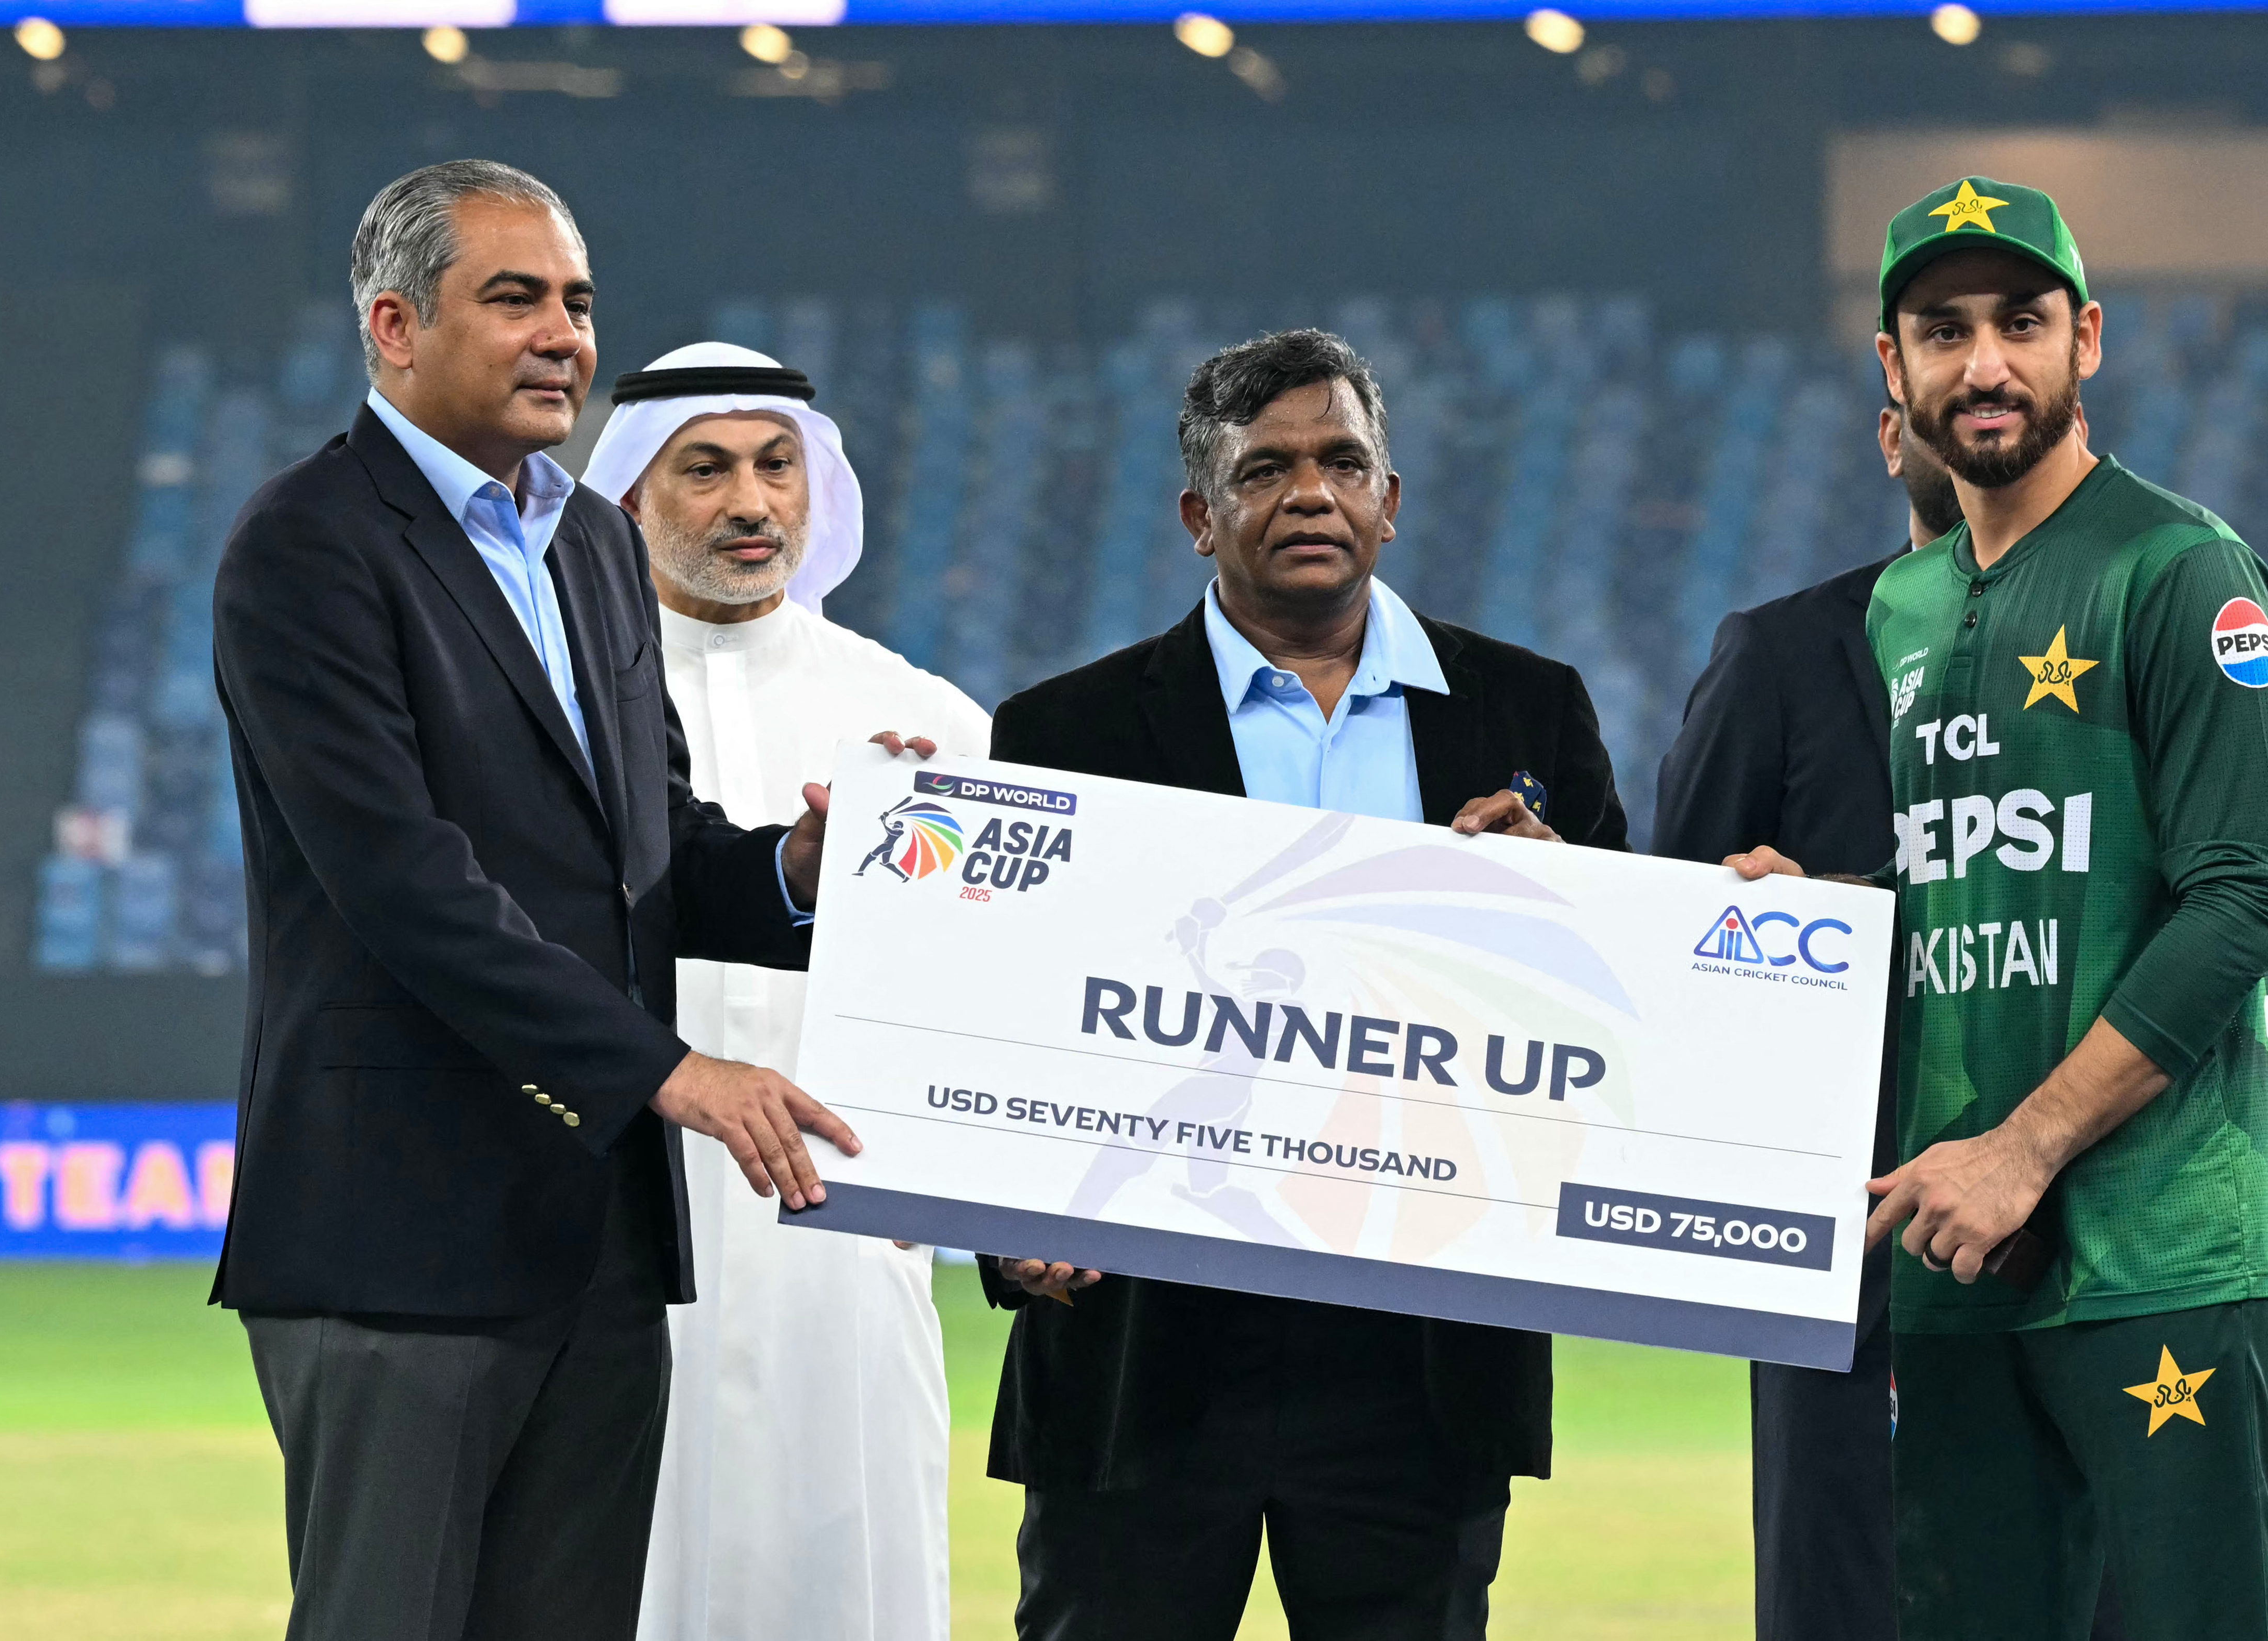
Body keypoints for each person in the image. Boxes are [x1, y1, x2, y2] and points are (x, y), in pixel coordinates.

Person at [210, 161, 879, 1641]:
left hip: (600, 1241)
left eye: (576, 301)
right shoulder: (307, 543)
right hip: (398, 1237)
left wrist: (792, 869)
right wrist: (668, 1070)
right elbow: (401, 880)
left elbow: (652, 845)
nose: (563, 334)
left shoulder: (591, 542)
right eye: (514, 298)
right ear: (394, 326)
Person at [1733, 177, 2268, 1640]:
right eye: (1943, 331)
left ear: (2086, 339)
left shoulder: (2183, 571)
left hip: (2164, 1252)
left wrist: (2024, 1146)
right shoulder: (1908, 608)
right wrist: (1833, 911)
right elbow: (1981, 873)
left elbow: (2245, 893)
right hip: (1965, 1258)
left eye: (2020, 323)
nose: (1985, 362)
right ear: (1893, 367)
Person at [980, 328, 1628, 1640]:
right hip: (1141, 1342)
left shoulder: (1529, 709)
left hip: (1421, 1355)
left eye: (1342, 462)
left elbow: (1614, 1011)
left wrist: (1571, 901)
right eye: (1264, 469)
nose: (1311, 494)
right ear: (1198, 518)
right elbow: (999, 1018)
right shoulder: (1062, 733)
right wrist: (1002, 1223)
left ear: (1391, 501)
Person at [579, 341, 990, 1641]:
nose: (750, 502)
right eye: (704, 470)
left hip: (843, 1237)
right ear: (629, 495)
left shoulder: (924, 717)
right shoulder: (559, 704)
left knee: (842, 1567)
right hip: (613, 1221)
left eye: (776, 466)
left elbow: (984, 1000)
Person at [1651, 400, 1950, 1641]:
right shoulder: (1780, 655)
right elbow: (1672, 946)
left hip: (2088, 1244)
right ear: (1889, 435)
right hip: (1851, 1257)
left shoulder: (2127, 653)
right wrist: (1755, 927)